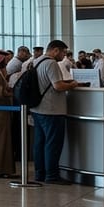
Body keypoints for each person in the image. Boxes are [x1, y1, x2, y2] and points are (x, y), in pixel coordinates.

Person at [32, 40, 81, 185]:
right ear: (55, 50)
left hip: (38, 108)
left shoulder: (37, 61)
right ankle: (52, 175)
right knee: (52, 144)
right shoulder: (52, 63)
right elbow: (58, 86)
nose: (64, 55)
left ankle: (39, 173)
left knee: (39, 143)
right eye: (63, 52)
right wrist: (72, 84)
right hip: (52, 109)